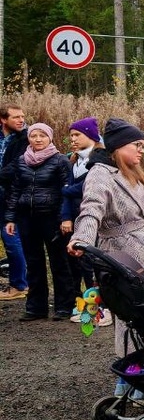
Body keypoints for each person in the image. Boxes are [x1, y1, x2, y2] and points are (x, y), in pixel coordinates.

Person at [68, 119, 144, 394]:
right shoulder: (101, 174)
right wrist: (82, 238)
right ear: (119, 146)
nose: (142, 150)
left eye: (143, 145)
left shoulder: (135, 172)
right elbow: (91, 209)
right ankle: (133, 380)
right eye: (137, 145)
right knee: (134, 315)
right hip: (124, 253)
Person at [4, 123, 73, 321]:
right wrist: (10, 218)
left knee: (59, 262)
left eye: (42, 135)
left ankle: (64, 305)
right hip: (27, 217)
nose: (38, 139)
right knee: (33, 263)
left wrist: (64, 217)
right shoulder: (21, 161)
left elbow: (65, 192)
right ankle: (36, 307)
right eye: (34, 135)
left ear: (50, 138)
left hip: (52, 218)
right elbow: (15, 190)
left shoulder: (60, 161)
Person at [62, 117, 110, 324]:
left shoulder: (100, 158)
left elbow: (85, 188)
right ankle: (87, 306)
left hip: (96, 217)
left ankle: (104, 308)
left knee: (97, 264)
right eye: (71, 135)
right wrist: (65, 216)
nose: (72, 139)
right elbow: (66, 193)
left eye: (77, 135)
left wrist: (66, 190)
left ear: (90, 136)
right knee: (82, 265)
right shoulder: (73, 160)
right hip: (77, 216)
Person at [0, 105, 29, 300]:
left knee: (11, 238)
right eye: (16, 117)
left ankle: (19, 284)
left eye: (22, 116)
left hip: (11, 195)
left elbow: (17, 166)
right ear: (3, 119)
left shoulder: (26, 138)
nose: (21, 120)